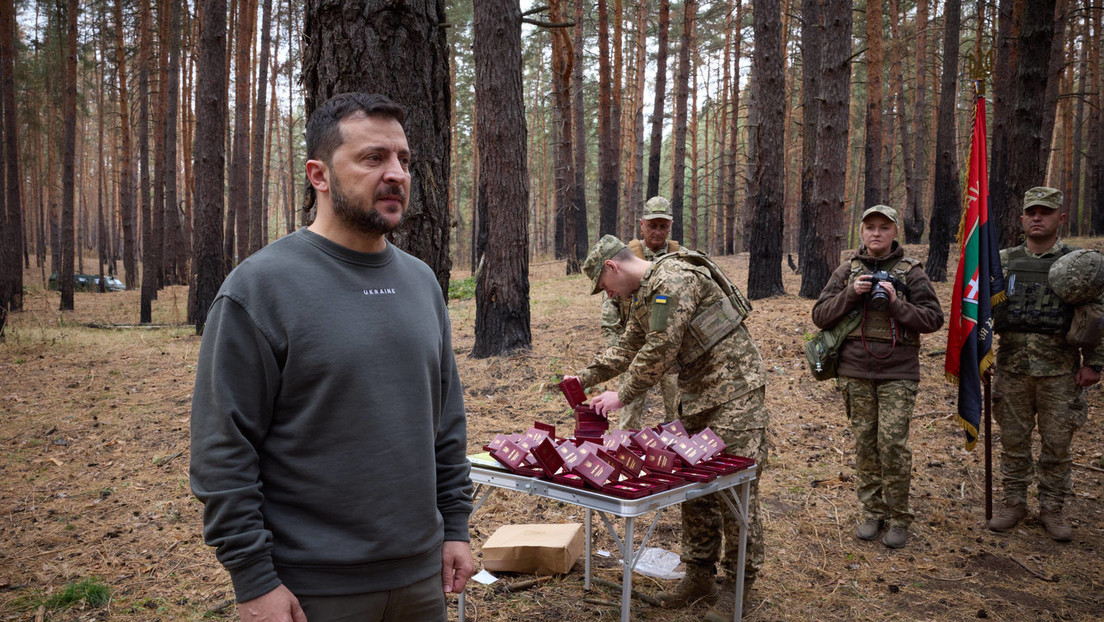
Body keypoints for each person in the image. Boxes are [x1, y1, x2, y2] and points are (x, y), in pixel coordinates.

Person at [189, 93, 474, 622]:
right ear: (318, 175)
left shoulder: (421, 283)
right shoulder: (260, 288)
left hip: (420, 577)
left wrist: (455, 525)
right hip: (312, 588)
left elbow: (445, 422)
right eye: (373, 159)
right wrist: (254, 580)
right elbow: (222, 450)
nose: (396, 174)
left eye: (404, 161)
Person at [566, 235, 767, 621]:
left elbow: (661, 348)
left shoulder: (672, 280)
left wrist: (621, 395)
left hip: (734, 393)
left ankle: (739, 587)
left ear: (613, 267)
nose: (607, 296)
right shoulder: (644, 295)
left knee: (736, 491)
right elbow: (628, 347)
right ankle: (699, 576)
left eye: (605, 287)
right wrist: (585, 376)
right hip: (697, 397)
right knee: (697, 488)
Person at [811, 205, 943, 549]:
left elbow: (932, 320)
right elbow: (820, 316)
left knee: (893, 445)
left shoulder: (911, 272)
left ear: (895, 232)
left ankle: (899, 517)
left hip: (898, 372)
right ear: (861, 232)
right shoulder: (847, 271)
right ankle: (872, 511)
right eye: (870, 227)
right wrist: (851, 293)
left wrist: (897, 303)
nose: (876, 234)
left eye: (884, 228)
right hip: (855, 371)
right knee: (866, 444)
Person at [988, 186, 1103, 542]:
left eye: (1046, 212)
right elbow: (980, 313)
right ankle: (1014, 502)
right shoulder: (1001, 260)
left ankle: (1052, 508)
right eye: (1031, 212)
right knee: (1013, 441)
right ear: (1022, 218)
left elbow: (1097, 316)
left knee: (1057, 444)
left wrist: (1094, 364)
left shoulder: (1078, 265)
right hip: (1011, 367)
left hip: (1060, 371)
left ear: (1060, 218)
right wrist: (980, 356)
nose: (1037, 218)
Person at [599, 196, 681, 430]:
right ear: (641, 224)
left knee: (678, 414)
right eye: (652, 225)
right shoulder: (626, 260)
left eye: (663, 226)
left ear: (670, 226)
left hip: (671, 352)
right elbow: (610, 314)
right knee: (628, 414)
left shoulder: (679, 258)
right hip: (633, 349)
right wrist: (618, 353)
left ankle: (676, 456)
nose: (657, 231)